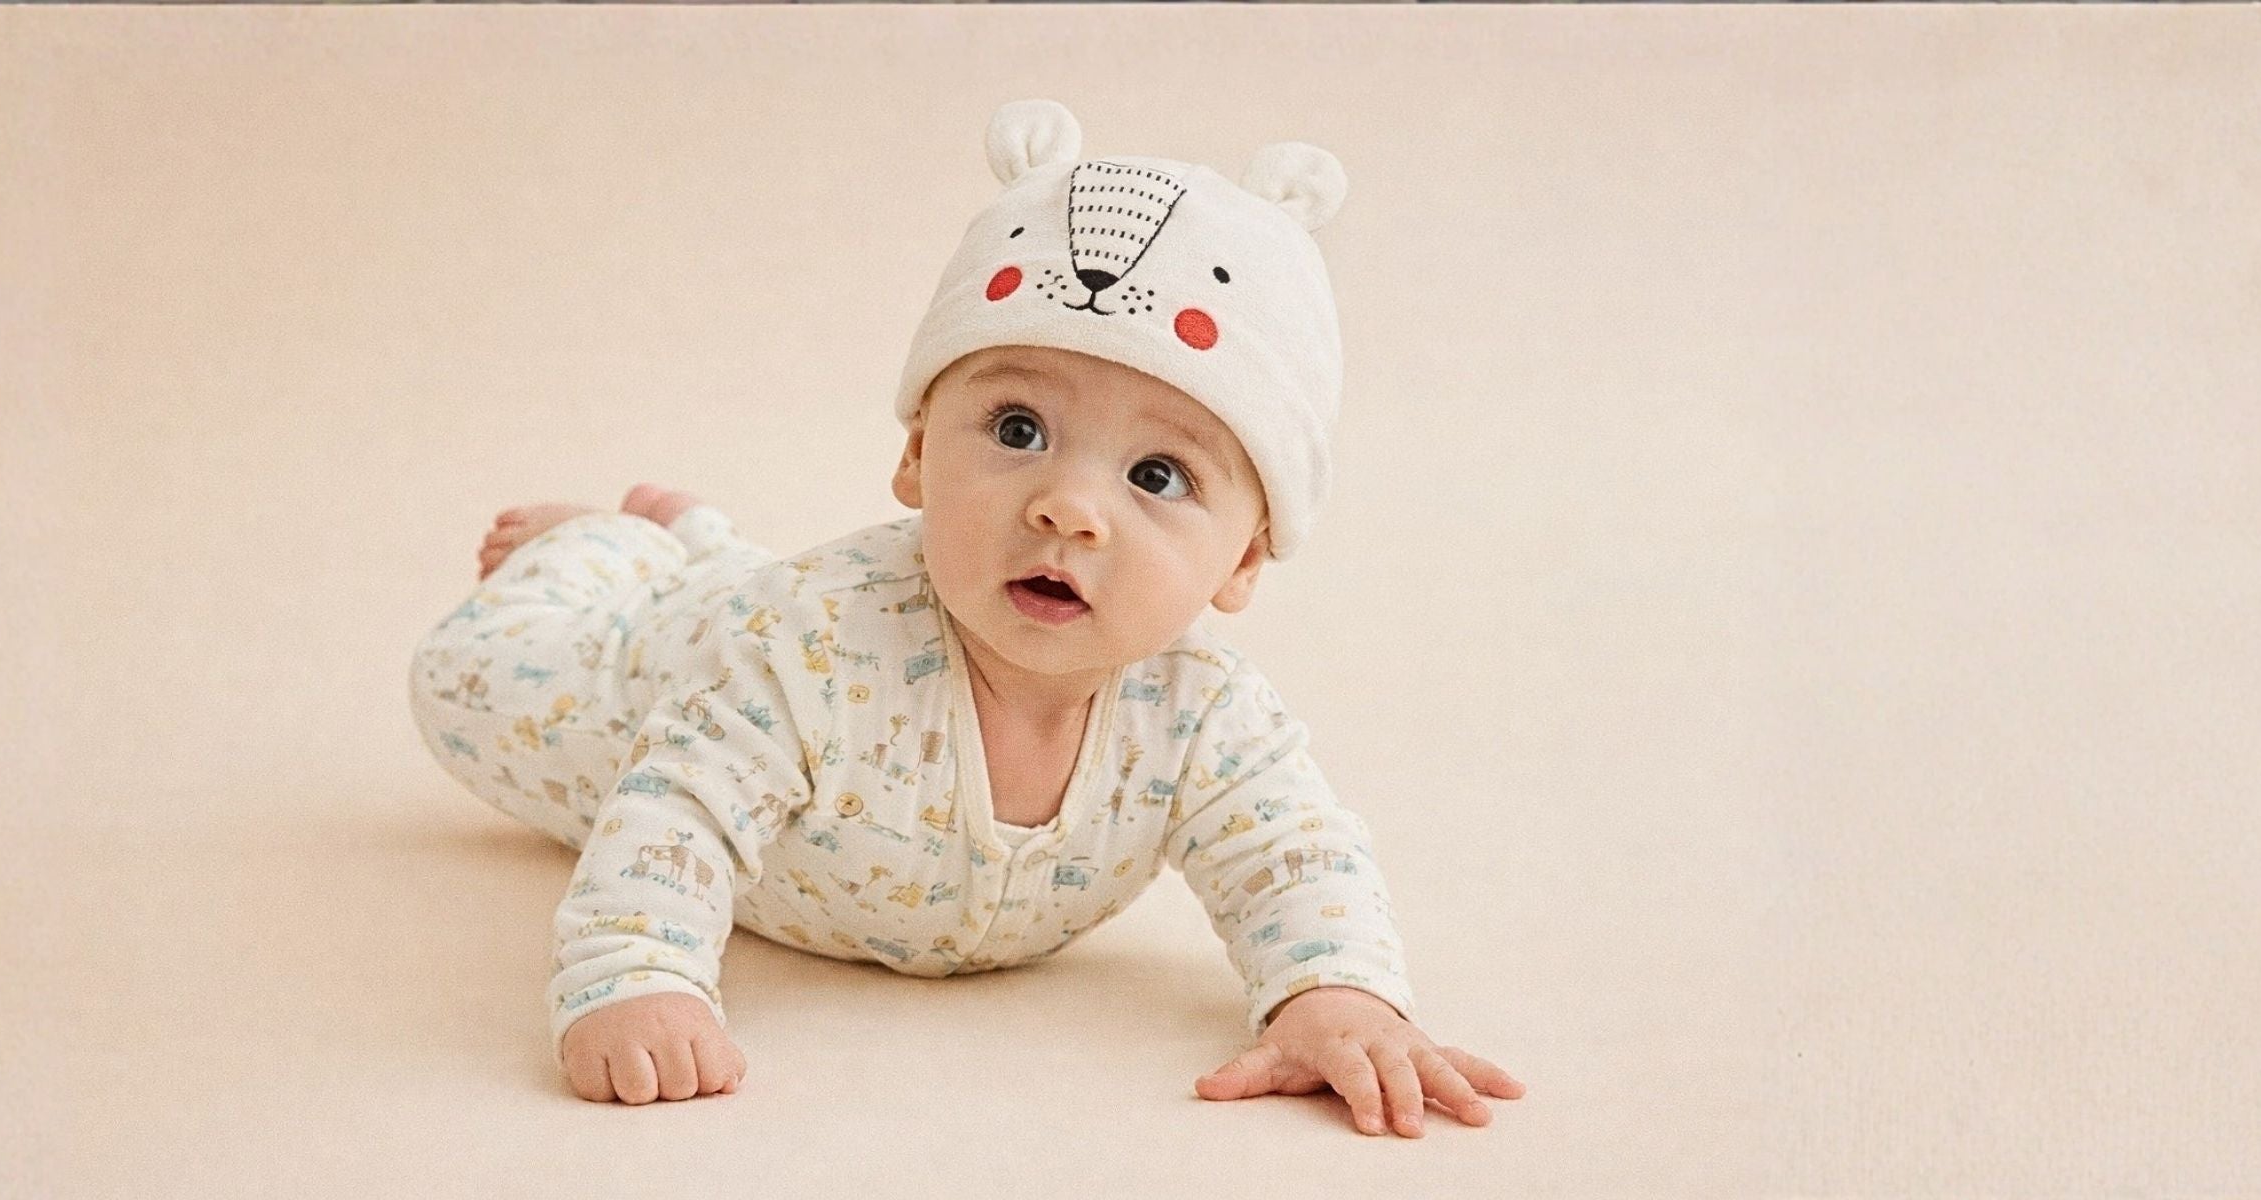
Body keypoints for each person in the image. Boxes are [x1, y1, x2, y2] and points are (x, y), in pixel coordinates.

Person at [409, 100, 1525, 1137]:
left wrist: (1335, 996)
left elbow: (1293, 854)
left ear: (1242, 559)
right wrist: (635, 976)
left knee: (745, 588)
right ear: (913, 454)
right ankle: (604, 548)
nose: (1066, 508)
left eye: (1155, 473)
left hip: (765, 607)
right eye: (1016, 427)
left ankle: (700, 538)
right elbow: (677, 810)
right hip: (653, 671)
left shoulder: (1200, 717)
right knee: (469, 682)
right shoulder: (804, 653)